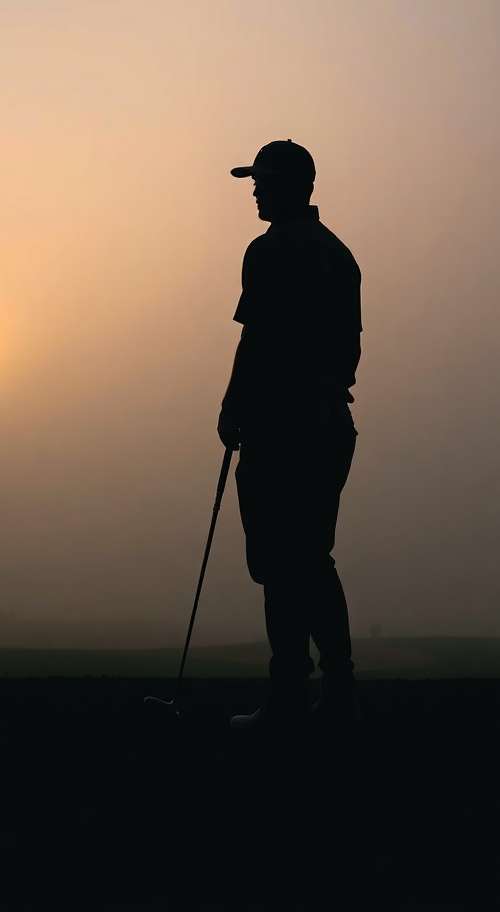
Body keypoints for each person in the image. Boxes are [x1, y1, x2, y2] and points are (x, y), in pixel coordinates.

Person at [218, 140, 362, 734]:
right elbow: (349, 350)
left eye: (264, 180)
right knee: (309, 559)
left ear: (294, 186)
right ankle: (337, 689)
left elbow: (258, 340)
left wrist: (233, 405)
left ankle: (288, 699)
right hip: (330, 423)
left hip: (284, 425)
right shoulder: (338, 253)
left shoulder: (270, 250)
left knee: (281, 565)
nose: (255, 189)